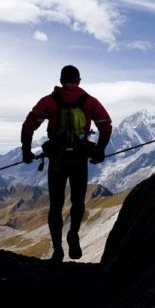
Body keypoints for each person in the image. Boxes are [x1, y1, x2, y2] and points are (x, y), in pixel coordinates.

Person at [21, 65, 112, 262]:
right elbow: (106, 126)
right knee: (78, 201)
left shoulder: (49, 101)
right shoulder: (89, 101)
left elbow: (28, 126)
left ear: (61, 81)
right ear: (78, 81)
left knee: (56, 205)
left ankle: (57, 249)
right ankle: (73, 233)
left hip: (57, 160)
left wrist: (26, 151)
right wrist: (99, 150)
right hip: (79, 159)